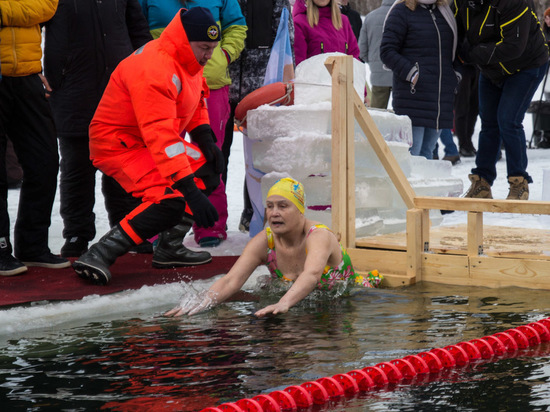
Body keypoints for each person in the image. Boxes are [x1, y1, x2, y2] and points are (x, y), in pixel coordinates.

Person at [72, 7, 225, 285]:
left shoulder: (187, 59)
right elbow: (161, 136)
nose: (208, 55)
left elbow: (196, 99)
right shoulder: (156, 67)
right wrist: (190, 191)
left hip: (150, 142)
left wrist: (207, 142)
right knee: (170, 200)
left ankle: (169, 248)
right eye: (204, 48)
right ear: (186, 40)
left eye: (213, 48)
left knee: (208, 167)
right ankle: (99, 253)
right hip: (120, 144)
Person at [165, 178, 381, 317]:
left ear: (300, 211)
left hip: (346, 304)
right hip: (302, 307)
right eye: (269, 207)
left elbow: (313, 274)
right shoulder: (265, 241)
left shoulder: (319, 235)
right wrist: (199, 302)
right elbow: (232, 280)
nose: (274, 213)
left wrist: (284, 303)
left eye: (283, 206)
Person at [43, 0, 155, 258]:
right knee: (77, 168)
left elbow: (138, 29)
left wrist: (147, 70)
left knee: (123, 165)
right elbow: (31, 29)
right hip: (72, 90)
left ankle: (127, 230)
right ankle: (77, 233)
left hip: (119, 91)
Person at [139, 0, 247, 248]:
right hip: (163, 81)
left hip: (211, 82)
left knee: (211, 154)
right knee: (160, 153)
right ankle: (156, 224)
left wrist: (224, 54)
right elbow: (136, 27)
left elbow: (237, 25)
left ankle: (210, 224)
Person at [0, 0, 71, 277]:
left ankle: (33, 245)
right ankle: (1, 248)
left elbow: (46, 7)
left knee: (44, 162)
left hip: (28, 75)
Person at [455, 0, 549, 200]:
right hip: (491, 69)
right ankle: (482, 182)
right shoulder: (460, 2)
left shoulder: (513, 2)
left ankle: (518, 182)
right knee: (489, 123)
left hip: (526, 65)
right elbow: (454, 32)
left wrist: (470, 54)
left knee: (508, 120)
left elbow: (513, 47)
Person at [225, 0, 295, 234]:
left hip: (261, 92)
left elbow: (286, 40)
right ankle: (212, 222)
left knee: (259, 159)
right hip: (223, 86)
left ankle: (252, 213)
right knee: (217, 155)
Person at [380, 0, 459, 160]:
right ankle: (407, 186)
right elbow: (387, 51)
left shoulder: (444, 12)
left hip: (439, 99)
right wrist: (412, 73)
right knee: (411, 156)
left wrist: (456, 75)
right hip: (413, 97)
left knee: (427, 155)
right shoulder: (401, 11)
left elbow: (455, 50)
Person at [292, 0, 360, 66]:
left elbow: (354, 56)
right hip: (313, 77)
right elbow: (299, 65)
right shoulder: (299, 23)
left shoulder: (343, 21)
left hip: (343, 77)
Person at [358, 0, 394, 109]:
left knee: (377, 114)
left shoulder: (370, 17)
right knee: (402, 116)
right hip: (401, 74)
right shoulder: (406, 15)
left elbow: (362, 49)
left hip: (378, 73)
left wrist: (373, 62)